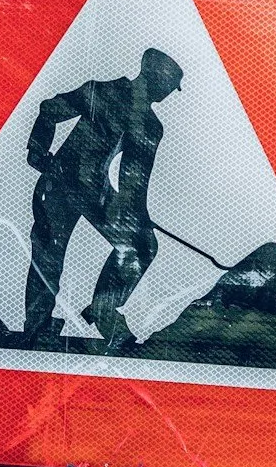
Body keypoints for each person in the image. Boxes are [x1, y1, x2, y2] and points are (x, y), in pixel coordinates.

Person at [23, 47, 183, 347]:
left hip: (92, 188)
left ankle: (103, 309)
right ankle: (37, 328)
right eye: (168, 86)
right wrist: (38, 150)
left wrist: (138, 217)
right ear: (156, 78)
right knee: (49, 255)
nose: (167, 94)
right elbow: (50, 109)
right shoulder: (103, 92)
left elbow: (134, 179)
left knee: (142, 244)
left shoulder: (149, 124)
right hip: (60, 180)